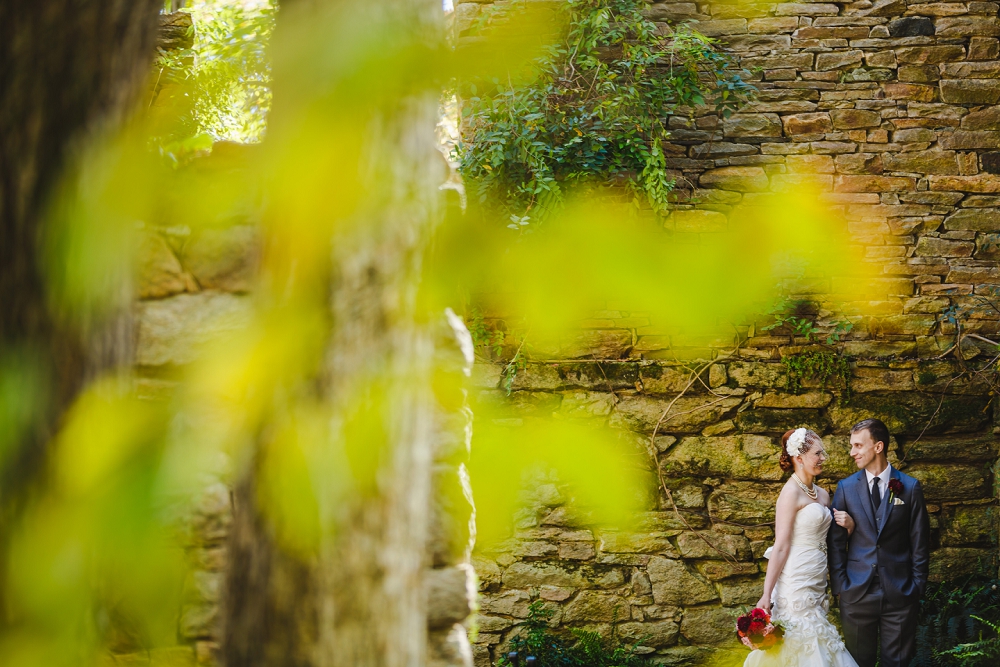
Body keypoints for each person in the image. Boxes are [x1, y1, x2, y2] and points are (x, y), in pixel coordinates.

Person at [745, 428, 859, 667]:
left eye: (823, 453)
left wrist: (848, 527)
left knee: (818, 631)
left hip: (816, 579)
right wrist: (766, 594)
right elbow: (781, 547)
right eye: (818, 453)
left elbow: (831, 541)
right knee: (799, 635)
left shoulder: (823, 495)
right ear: (799, 457)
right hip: (795, 579)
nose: (823, 458)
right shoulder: (789, 494)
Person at [828, 419, 930, 667]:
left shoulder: (909, 487)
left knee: (897, 663)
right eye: (852, 446)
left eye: (858, 445)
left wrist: (915, 587)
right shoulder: (846, 488)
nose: (852, 452)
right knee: (857, 663)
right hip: (857, 593)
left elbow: (920, 542)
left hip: (900, 593)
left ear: (878, 446)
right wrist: (841, 586)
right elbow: (836, 543)